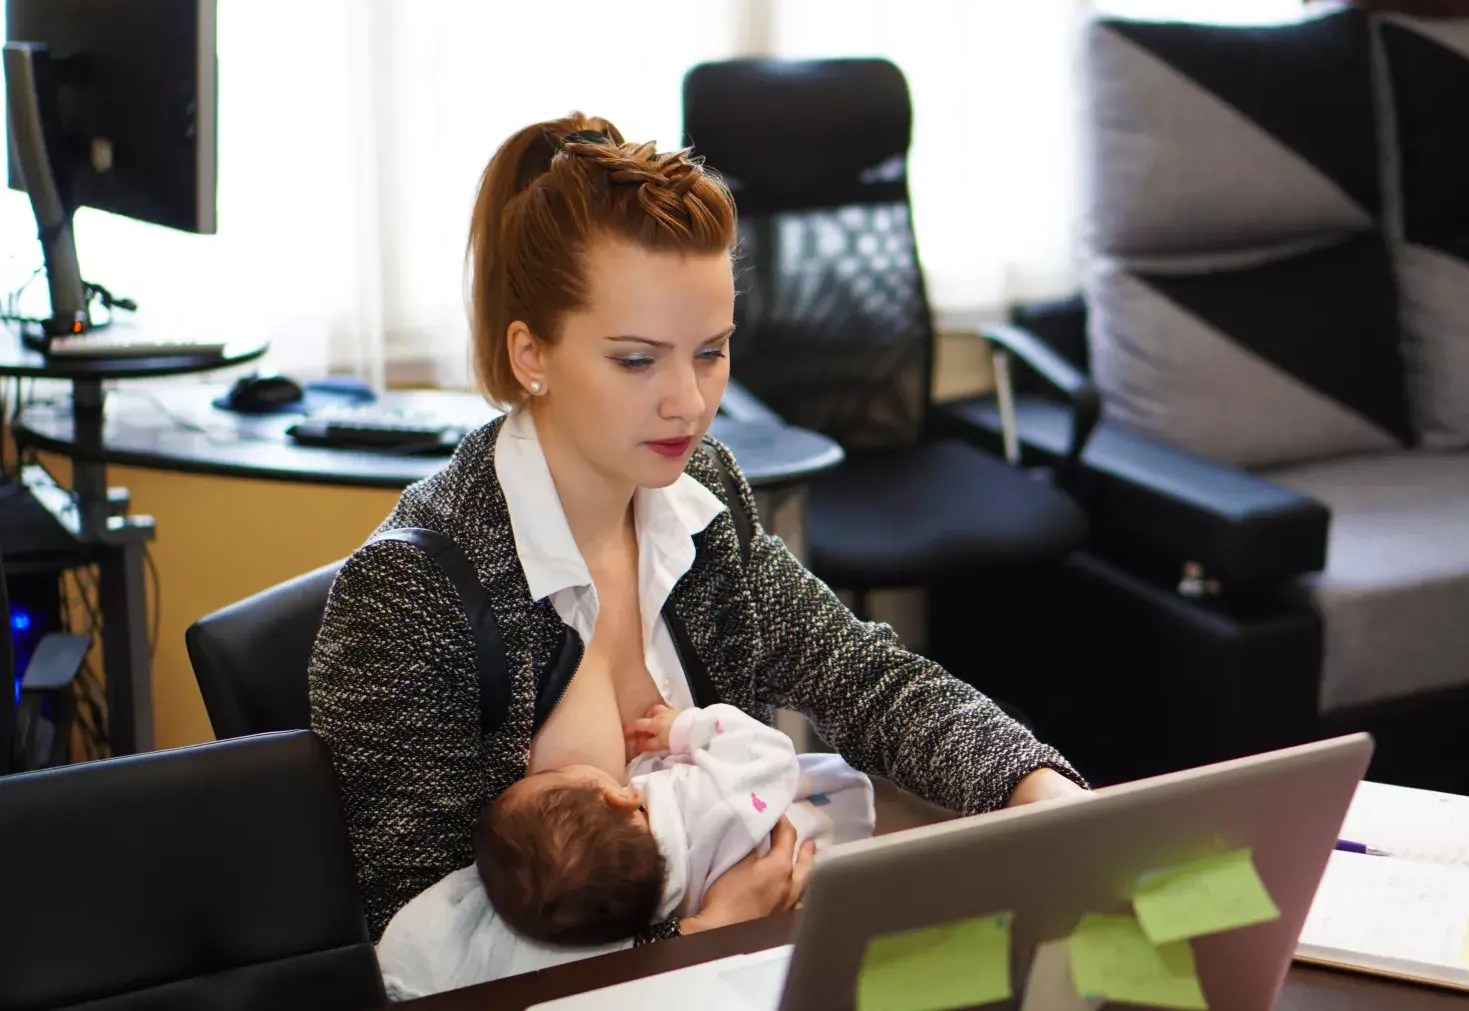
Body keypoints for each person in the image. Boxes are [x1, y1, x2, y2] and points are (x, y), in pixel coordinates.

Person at [309, 111, 1089, 949]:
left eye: (711, 351)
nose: (689, 400)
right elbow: (407, 943)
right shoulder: (411, 595)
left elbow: (862, 675)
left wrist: (1036, 786)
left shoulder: (702, 489)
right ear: (531, 354)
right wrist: (694, 934)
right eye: (638, 360)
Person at [375, 703, 873, 999]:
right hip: (816, 860)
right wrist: (688, 729)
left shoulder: (637, 898)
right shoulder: (705, 802)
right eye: (552, 777)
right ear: (620, 794)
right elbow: (769, 755)